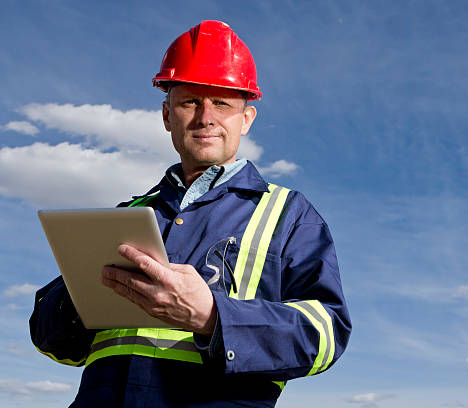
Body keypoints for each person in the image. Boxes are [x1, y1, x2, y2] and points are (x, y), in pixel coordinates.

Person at [29, 20, 351, 407]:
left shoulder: (289, 215)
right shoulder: (126, 216)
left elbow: (326, 336)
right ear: (167, 116)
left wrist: (214, 316)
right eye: (189, 102)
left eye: (222, 103)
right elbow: (50, 341)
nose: (205, 117)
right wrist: (87, 294)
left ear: (246, 119)